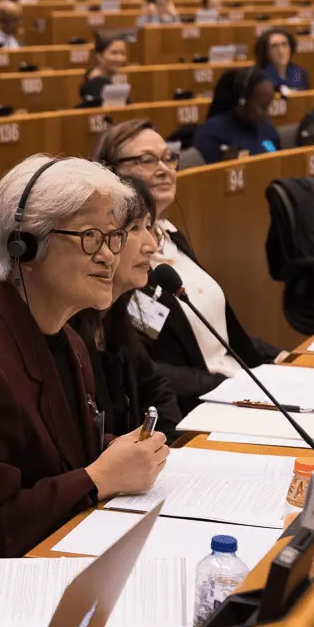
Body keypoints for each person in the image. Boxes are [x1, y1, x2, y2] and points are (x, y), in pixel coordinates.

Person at [0, 154, 168, 627]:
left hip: (48, 567)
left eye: (113, 237)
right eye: (89, 237)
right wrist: (98, 477)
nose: (108, 255)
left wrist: (116, 453)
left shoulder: (64, 338)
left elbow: (58, 455)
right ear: (25, 246)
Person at [95, 120, 280, 412]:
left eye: (167, 158)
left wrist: (276, 358)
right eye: (147, 160)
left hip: (235, 385)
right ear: (110, 173)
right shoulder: (117, 262)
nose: (163, 169)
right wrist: (228, 385)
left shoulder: (171, 236)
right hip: (198, 402)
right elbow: (141, 369)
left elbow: (219, 331)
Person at [72, 178, 181, 442]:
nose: (151, 245)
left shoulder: (116, 315)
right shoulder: (66, 330)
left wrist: (168, 446)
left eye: (149, 227)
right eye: (134, 228)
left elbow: (157, 389)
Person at [192, 67, 281, 164]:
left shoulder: (267, 130)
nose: (267, 113)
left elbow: (277, 160)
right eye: (263, 107)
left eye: (269, 105)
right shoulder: (211, 134)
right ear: (241, 102)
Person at [79, 30, 129, 101]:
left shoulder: (115, 76)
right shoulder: (95, 83)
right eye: (114, 53)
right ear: (99, 56)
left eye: (123, 53)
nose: (120, 58)